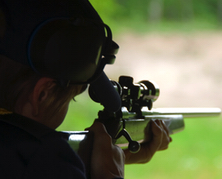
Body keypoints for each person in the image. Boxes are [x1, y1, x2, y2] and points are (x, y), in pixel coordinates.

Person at [0, 0, 172, 179]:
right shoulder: (43, 158)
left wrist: (86, 163)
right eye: (70, 99)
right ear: (42, 95)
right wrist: (112, 173)